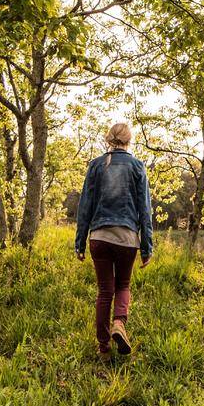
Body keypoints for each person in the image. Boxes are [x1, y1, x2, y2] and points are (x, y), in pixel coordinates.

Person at [75, 121, 153, 361]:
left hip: (99, 236)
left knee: (104, 292)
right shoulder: (137, 166)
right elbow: (145, 210)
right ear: (129, 140)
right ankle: (119, 322)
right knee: (123, 286)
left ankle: (104, 349)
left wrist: (80, 242)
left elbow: (85, 206)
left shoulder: (96, 165)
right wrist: (147, 246)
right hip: (127, 237)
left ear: (108, 140)